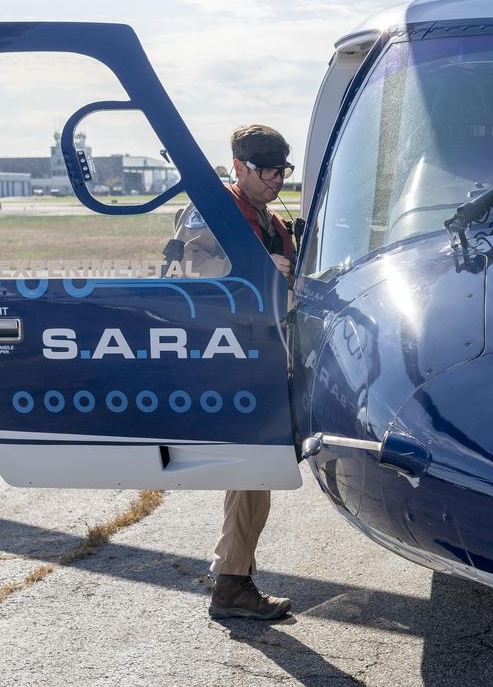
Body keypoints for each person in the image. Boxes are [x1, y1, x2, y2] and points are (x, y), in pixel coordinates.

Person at [172, 124, 296, 619]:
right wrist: (258, 265)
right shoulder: (211, 210)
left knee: (256, 476)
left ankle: (233, 582)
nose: (277, 181)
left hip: (264, 355)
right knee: (252, 472)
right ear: (239, 168)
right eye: (267, 171)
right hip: (230, 361)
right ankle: (231, 586)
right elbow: (192, 272)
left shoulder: (267, 216)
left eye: (282, 171)